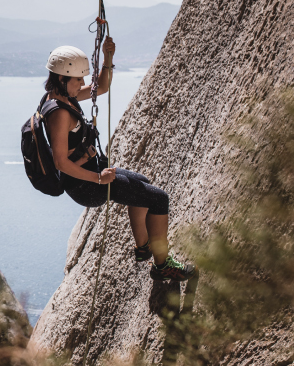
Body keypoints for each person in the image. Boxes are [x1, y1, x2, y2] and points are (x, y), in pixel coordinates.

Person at [43, 39, 195, 281]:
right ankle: (162, 265)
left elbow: (100, 88)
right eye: (78, 80)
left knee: (142, 183)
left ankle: (143, 247)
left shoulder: (61, 97)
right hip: (86, 185)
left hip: (92, 173)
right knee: (158, 198)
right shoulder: (59, 113)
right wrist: (98, 179)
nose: (82, 84)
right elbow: (61, 163)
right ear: (62, 78)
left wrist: (108, 58)